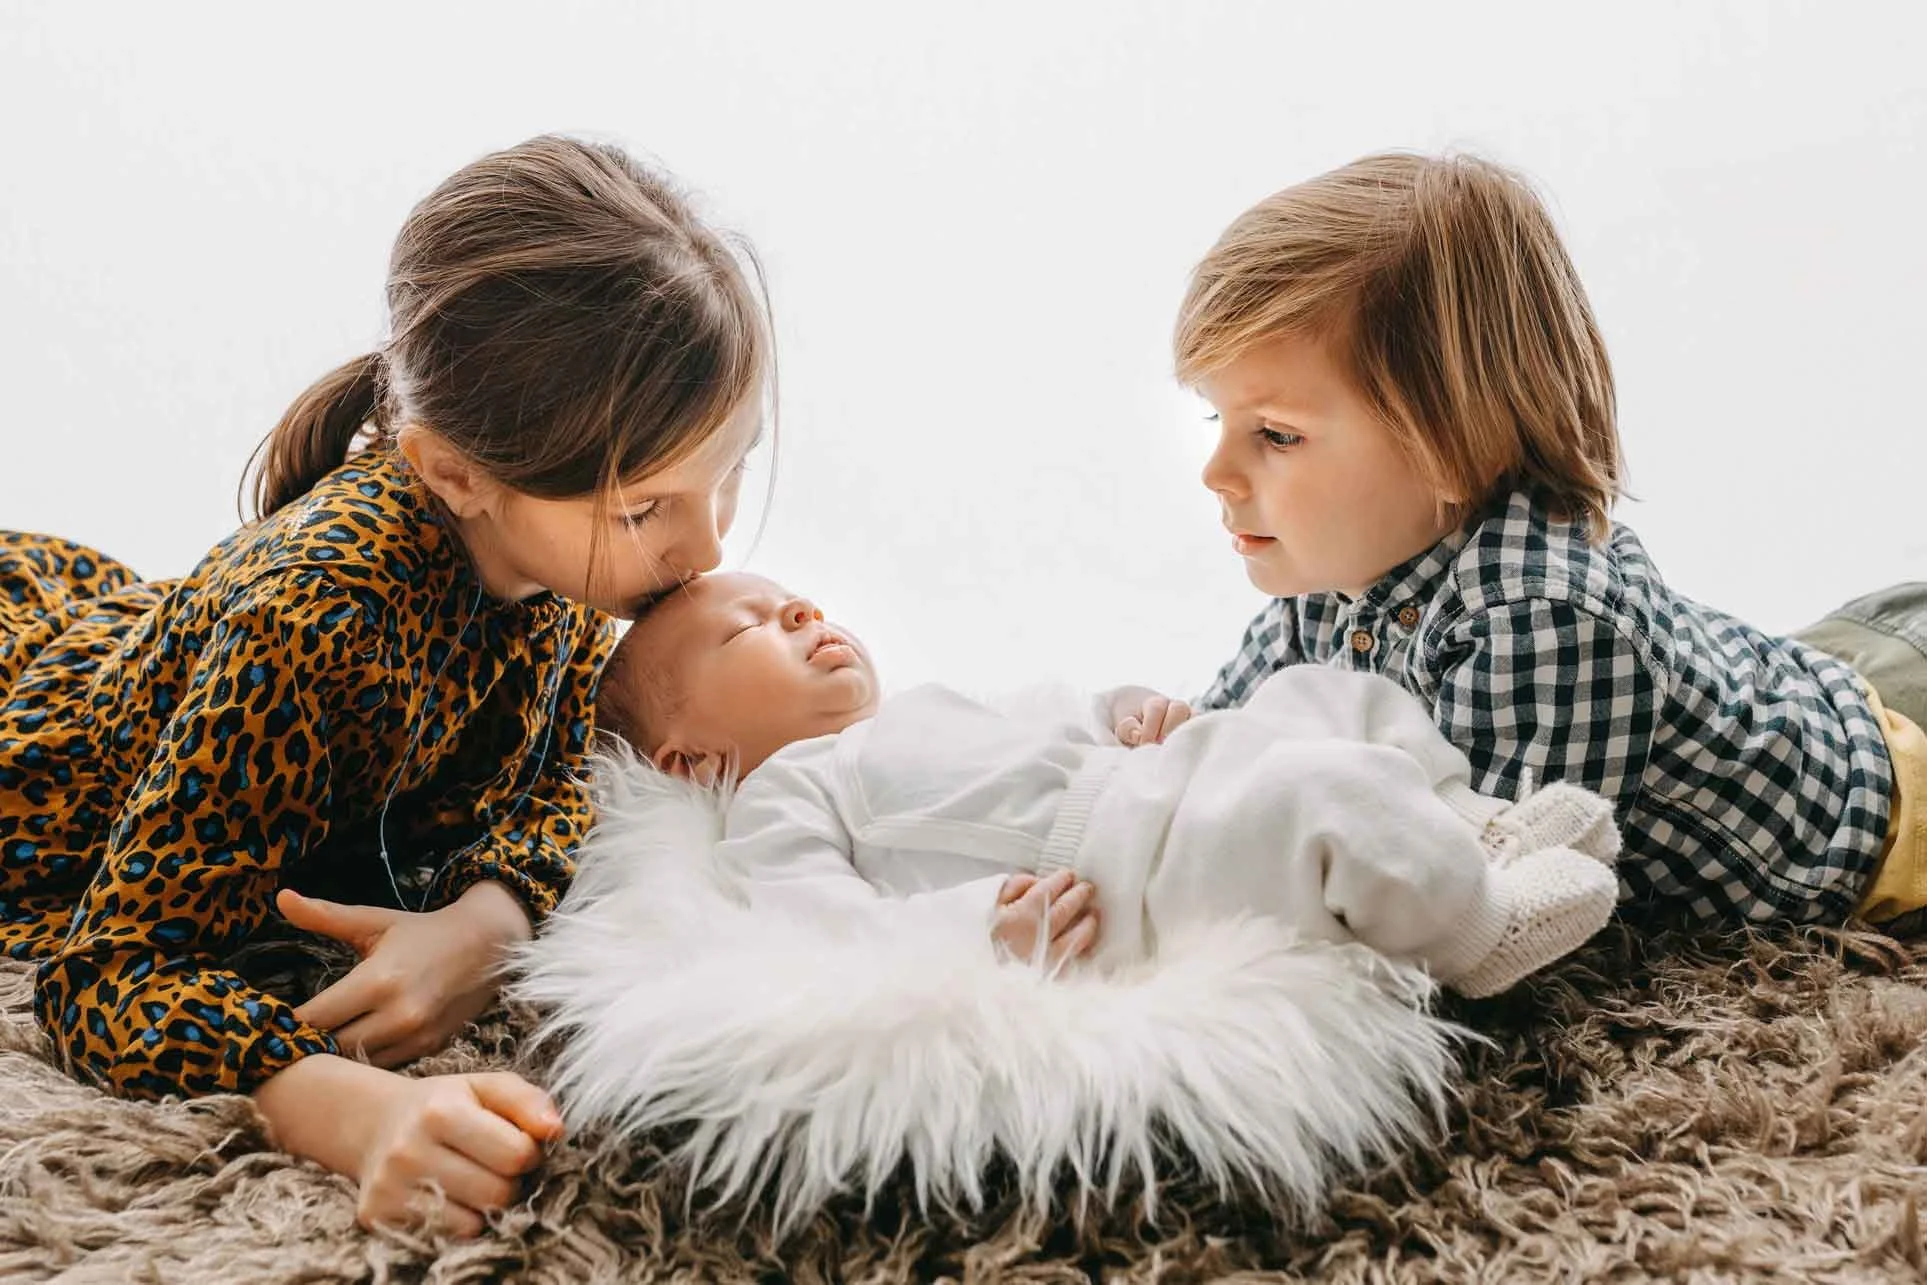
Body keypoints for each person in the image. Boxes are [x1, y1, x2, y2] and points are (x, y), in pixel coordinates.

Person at [0, 134, 769, 1235]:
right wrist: (347, 1108)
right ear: (454, 471)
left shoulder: (549, 566)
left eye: (728, 470)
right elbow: (105, 972)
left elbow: (562, 768)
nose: (704, 547)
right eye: (646, 507)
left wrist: (490, 918)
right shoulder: (312, 625)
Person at [1118, 151, 1922, 931]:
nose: (1215, 472)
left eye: (1277, 436)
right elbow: (1230, 759)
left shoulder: (1540, 622)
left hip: (1887, 800)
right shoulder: (1332, 585)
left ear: (1450, 443)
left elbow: (1492, 900)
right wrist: (1173, 757)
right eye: (1214, 421)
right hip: (1810, 673)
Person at [593, 571, 1624, 999]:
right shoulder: (783, 795)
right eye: (752, 629)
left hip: (1157, 778)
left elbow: (1063, 724)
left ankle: (1476, 825)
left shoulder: (927, 709)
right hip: (1120, 875)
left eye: (799, 604)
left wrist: (1134, 713)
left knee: (1321, 696)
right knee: (1323, 800)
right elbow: (822, 926)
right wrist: (973, 935)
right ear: (691, 760)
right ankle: (1477, 930)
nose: (805, 617)